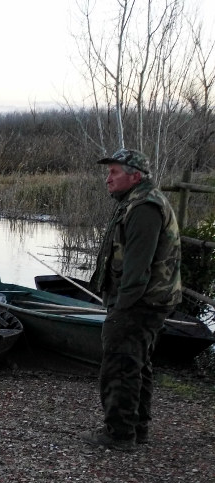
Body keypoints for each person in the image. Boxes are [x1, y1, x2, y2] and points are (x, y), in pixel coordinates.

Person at [83, 148, 182, 451]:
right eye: (108, 172)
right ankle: (136, 428)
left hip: (141, 302)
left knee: (121, 364)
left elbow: (137, 269)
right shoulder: (135, 201)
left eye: (114, 172)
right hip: (147, 301)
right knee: (137, 363)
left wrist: (121, 310)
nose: (107, 179)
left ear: (134, 176)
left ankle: (120, 434)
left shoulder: (144, 208)